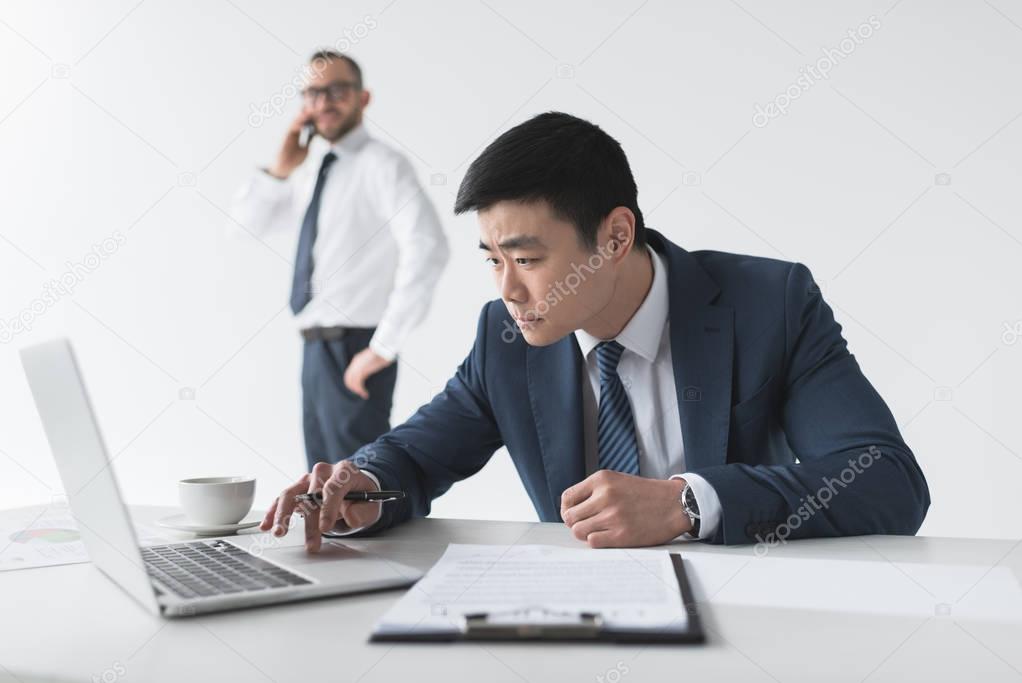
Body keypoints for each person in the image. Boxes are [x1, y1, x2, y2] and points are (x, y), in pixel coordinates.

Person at [260, 112, 930, 550]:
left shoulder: (769, 304)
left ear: (613, 237)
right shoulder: (505, 336)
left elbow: (885, 480)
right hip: (573, 632)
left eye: (526, 259)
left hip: (748, 622)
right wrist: (361, 486)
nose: (507, 289)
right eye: (492, 260)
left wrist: (687, 505)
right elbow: (412, 458)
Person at [230, 51, 448, 471]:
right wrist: (279, 169)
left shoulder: (383, 165)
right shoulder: (310, 171)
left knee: (357, 488)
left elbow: (428, 245)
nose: (324, 102)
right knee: (321, 485)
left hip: (355, 347)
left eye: (337, 90)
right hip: (314, 348)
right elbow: (244, 227)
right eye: (313, 92)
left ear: (362, 98)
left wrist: (382, 347)